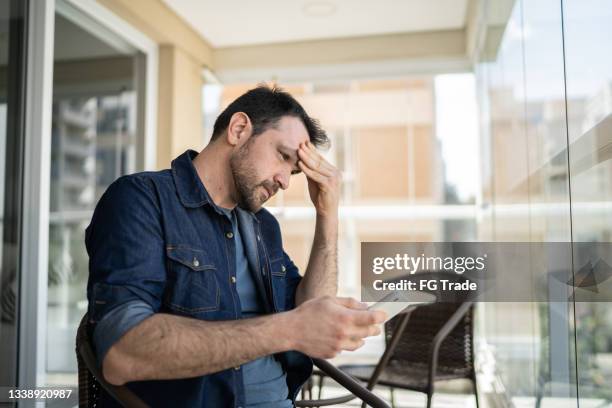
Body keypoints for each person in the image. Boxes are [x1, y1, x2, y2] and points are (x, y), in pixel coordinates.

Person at [85, 85, 386, 407]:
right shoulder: (142, 199)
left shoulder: (262, 225)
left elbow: (310, 309)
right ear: (239, 129)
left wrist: (327, 214)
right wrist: (289, 329)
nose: (285, 180)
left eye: (294, 171)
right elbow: (122, 353)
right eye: (283, 157)